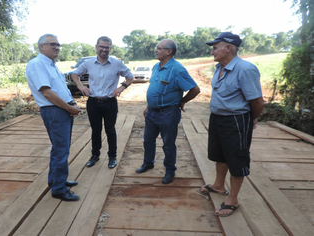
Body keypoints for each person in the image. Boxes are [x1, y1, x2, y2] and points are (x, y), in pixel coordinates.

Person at [200, 32, 265, 216]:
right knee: (219, 154)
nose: (212, 52)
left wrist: (251, 119)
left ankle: (233, 199)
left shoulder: (245, 69)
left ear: (228, 48)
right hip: (217, 118)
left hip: (236, 119)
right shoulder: (219, 67)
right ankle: (219, 186)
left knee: (237, 158)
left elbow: (258, 102)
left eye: (215, 48)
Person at [135, 39, 201, 184]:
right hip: (152, 112)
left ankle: (170, 170)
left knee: (168, 144)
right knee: (148, 140)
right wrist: (148, 106)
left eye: (159, 48)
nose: (155, 50)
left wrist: (182, 101)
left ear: (168, 51)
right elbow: (155, 89)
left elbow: (195, 89)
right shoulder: (156, 67)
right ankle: (148, 163)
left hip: (168, 113)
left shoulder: (177, 69)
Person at [26, 34, 81, 201]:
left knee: (59, 148)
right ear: (41, 46)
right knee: (61, 150)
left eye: (58, 44)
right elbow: (47, 93)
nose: (57, 47)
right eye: (52, 44)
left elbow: (59, 89)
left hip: (61, 110)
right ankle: (59, 189)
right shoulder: (37, 64)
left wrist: (71, 105)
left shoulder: (51, 65)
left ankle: (57, 181)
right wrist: (70, 108)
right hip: (55, 111)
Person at [71, 36, 134, 169]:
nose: (104, 49)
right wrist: (80, 86)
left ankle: (112, 157)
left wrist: (122, 87)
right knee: (95, 130)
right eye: (102, 46)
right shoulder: (88, 63)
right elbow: (75, 74)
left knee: (110, 130)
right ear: (96, 47)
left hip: (110, 102)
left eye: (107, 47)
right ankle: (95, 155)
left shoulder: (116, 63)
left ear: (110, 48)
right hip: (93, 102)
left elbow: (130, 77)